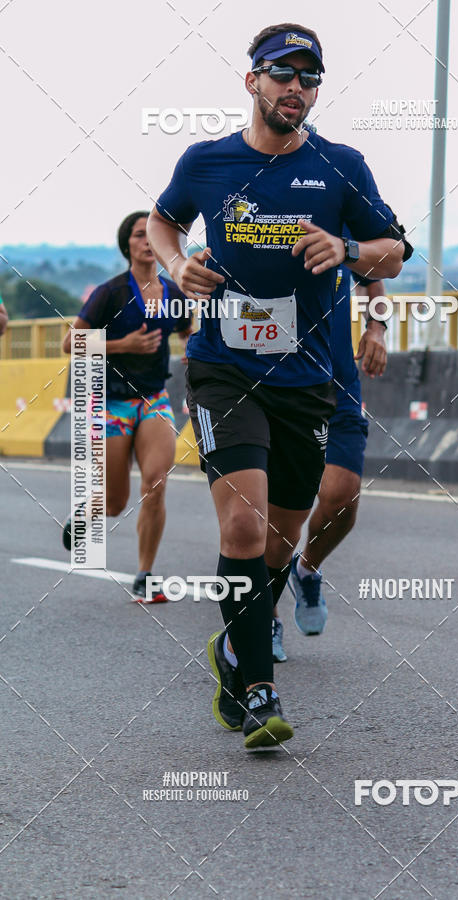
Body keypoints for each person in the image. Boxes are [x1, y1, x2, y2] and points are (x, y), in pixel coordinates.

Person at [147, 22, 407, 749]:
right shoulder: (206, 161)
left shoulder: (341, 165)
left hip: (308, 378)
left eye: (309, 78)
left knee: (281, 540)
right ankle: (259, 689)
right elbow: (163, 222)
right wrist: (175, 265)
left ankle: (235, 645)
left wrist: (351, 247)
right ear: (252, 82)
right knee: (243, 524)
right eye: (282, 74)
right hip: (224, 367)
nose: (296, 88)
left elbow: (395, 249)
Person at [61, 212, 192, 602]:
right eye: (139, 235)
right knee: (116, 502)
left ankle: (145, 574)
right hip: (111, 404)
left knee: (155, 483)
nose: (147, 241)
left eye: (151, 234)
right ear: (128, 245)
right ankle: (86, 512)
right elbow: (72, 344)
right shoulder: (111, 292)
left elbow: (188, 331)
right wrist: (123, 346)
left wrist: (193, 351)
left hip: (154, 399)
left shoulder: (172, 293)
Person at [272, 262, 392, 660]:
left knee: (342, 497)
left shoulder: (338, 216)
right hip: (268, 387)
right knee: (267, 515)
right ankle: (264, 618)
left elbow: (375, 273)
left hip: (336, 387)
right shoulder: (255, 220)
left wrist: (376, 328)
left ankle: (305, 570)